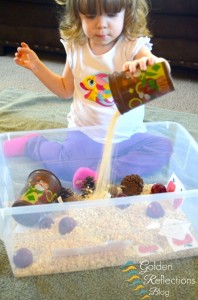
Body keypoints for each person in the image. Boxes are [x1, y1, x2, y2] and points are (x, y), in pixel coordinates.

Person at [4, 0, 173, 183]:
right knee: (65, 167)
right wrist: (37, 67)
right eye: (91, 16)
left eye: (112, 15)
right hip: (87, 133)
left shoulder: (131, 46)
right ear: (78, 16)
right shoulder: (77, 47)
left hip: (129, 135)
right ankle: (32, 144)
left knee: (163, 147)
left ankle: (102, 173)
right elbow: (64, 90)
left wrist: (149, 68)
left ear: (128, 14)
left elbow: (161, 72)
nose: (101, 24)